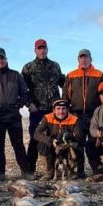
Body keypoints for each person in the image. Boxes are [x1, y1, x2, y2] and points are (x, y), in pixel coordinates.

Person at [0, 47, 34, 181]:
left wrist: (20, 103)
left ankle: (25, 171)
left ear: (6, 59)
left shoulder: (16, 75)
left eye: (2, 58)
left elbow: (25, 92)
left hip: (13, 115)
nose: (0, 61)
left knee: (18, 144)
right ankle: (0, 173)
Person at [21, 39, 65, 175]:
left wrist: (64, 102)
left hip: (54, 111)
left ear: (47, 49)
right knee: (35, 138)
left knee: (56, 138)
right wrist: (29, 104)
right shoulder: (28, 67)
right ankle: (30, 170)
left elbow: (64, 84)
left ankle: (54, 169)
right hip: (37, 110)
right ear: (35, 50)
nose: (42, 50)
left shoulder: (55, 66)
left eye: (44, 48)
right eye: (39, 48)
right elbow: (22, 89)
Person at [63, 49, 103, 177]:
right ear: (78, 60)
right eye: (81, 58)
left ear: (90, 59)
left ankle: (98, 170)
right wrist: (67, 113)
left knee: (95, 143)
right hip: (76, 115)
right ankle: (80, 170)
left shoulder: (99, 74)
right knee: (78, 143)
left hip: (94, 114)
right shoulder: (71, 75)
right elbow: (65, 95)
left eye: (86, 57)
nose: (84, 60)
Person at [33, 98, 85, 180]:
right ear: (53, 110)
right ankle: (50, 171)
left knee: (77, 146)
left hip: (67, 146)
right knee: (42, 143)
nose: (61, 112)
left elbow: (80, 138)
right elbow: (36, 134)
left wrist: (68, 142)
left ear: (67, 109)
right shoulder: (47, 118)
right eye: (58, 109)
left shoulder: (75, 119)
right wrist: (50, 140)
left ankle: (71, 170)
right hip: (53, 145)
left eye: (63, 109)